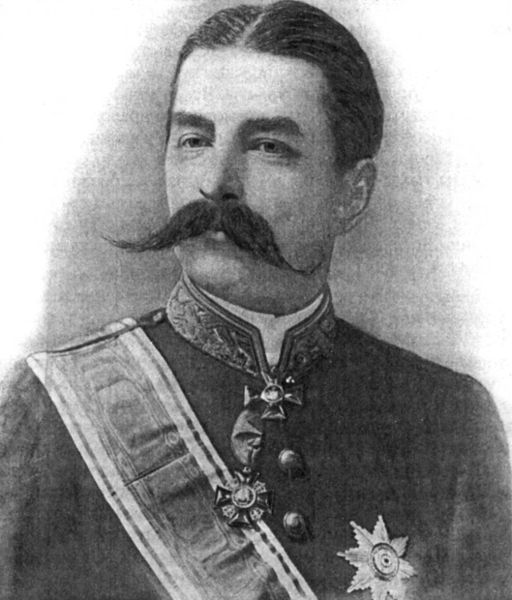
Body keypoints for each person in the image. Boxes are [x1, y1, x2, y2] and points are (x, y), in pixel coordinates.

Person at [0, 1, 510, 599]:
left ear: (353, 193)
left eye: (268, 146)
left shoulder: (447, 421)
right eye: (194, 139)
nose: (217, 182)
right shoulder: (50, 411)